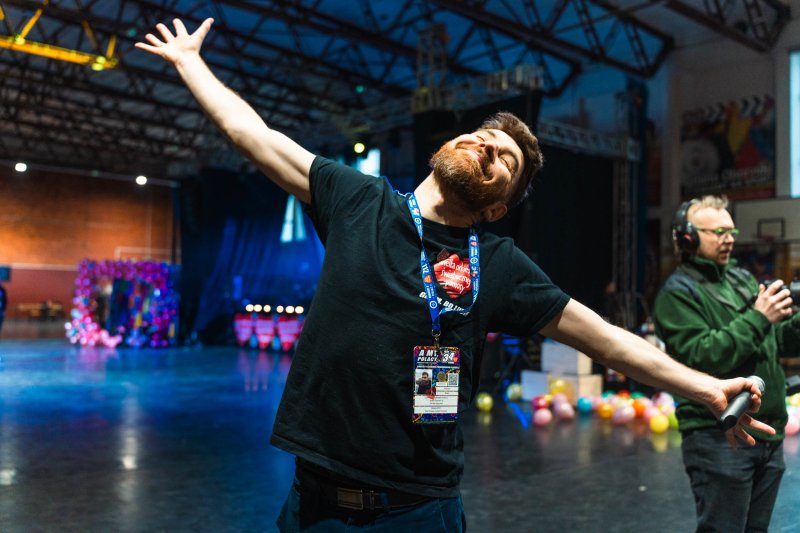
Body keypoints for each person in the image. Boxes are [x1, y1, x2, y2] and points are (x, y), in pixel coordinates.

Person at [137, 19, 774, 532]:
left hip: (416, 511)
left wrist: (704, 388)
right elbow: (251, 133)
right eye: (482, 135)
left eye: (507, 161)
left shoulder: (497, 262)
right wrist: (191, 63)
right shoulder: (359, 201)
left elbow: (607, 339)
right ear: (447, 146)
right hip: (312, 503)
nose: (489, 145)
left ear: (497, 207)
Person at [653, 196, 800, 532]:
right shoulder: (676, 295)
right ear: (688, 238)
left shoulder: (741, 279)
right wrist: (759, 317)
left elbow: (777, 341)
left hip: (769, 433)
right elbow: (704, 357)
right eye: (718, 232)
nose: (729, 239)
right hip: (718, 436)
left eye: (731, 231)